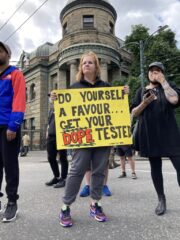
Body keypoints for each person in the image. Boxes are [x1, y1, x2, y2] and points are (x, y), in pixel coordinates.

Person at [51, 51, 129, 227]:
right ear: (80, 67)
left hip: (102, 139)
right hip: (82, 138)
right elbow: (65, 112)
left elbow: (116, 110)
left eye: (90, 63)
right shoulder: (74, 88)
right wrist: (55, 100)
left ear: (96, 66)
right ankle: (65, 206)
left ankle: (95, 203)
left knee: (99, 171)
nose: (86, 65)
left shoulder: (107, 87)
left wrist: (124, 94)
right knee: (77, 170)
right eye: (84, 63)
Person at [131, 61, 180, 216]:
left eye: (158, 71)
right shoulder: (140, 91)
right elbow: (134, 112)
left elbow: (174, 100)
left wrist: (163, 82)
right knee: (155, 168)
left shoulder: (168, 86)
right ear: (147, 74)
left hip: (169, 133)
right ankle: (161, 199)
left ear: (162, 73)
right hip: (150, 135)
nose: (154, 73)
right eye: (152, 71)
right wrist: (144, 103)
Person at [0, 42, 26, 222]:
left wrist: (13, 125)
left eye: (0, 51)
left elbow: (19, 100)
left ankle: (11, 202)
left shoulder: (15, 74)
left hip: (7, 128)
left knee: (10, 166)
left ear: (8, 54)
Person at [45, 99, 69, 188]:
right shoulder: (51, 109)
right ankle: (56, 176)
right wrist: (47, 132)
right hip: (51, 137)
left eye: (53, 96)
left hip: (61, 136)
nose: (51, 98)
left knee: (63, 158)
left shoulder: (64, 107)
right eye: (51, 97)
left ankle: (63, 178)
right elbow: (49, 123)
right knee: (51, 157)